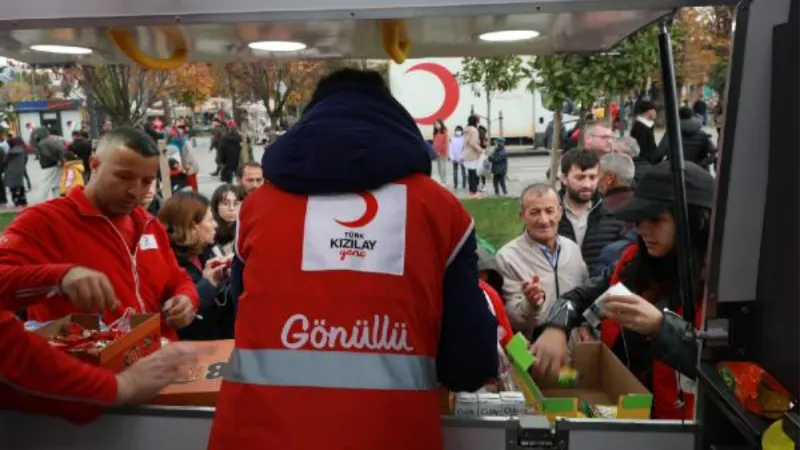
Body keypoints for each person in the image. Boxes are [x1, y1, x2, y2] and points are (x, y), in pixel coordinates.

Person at [209, 69, 498, 450]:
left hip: (255, 434)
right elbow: (469, 364)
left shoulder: (256, 209)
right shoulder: (440, 210)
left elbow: (247, 314)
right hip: (392, 435)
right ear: (394, 120)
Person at [530, 161, 713, 420]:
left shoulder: (723, 287)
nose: (642, 229)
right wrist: (557, 325)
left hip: (685, 429)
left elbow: (723, 371)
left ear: (696, 223)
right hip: (624, 412)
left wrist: (661, 328)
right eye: (639, 219)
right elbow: (578, 297)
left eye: (656, 219)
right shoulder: (632, 262)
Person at [0, 127, 200, 341]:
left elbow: (177, 278)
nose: (136, 191)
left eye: (146, 182)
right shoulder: (44, 221)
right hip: (87, 370)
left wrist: (186, 299)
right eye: (124, 177)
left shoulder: (149, 223)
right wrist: (60, 277)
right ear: (94, 165)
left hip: (160, 364)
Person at [496, 183, 588, 337]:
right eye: (534, 212)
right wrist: (530, 304)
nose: (544, 220)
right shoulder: (507, 258)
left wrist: (585, 325)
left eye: (550, 211)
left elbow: (585, 293)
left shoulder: (572, 249)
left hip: (574, 342)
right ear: (522, 215)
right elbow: (511, 319)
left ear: (560, 212)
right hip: (534, 348)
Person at [160, 192, 235, 341]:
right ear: (193, 226)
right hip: (194, 349)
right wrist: (208, 284)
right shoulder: (168, 261)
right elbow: (182, 320)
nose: (216, 225)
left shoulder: (208, 249)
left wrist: (232, 276)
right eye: (210, 220)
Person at [557, 149, 627, 276]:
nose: (587, 184)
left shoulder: (613, 216)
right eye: (580, 178)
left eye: (592, 177)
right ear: (564, 179)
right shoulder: (548, 215)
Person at [657, 106, 717, 171]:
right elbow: (714, 152)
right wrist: (702, 163)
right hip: (699, 171)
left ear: (678, 116)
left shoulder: (671, 133)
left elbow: (660, 153)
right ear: (692, 116)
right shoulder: (702, 134)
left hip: (676, 170)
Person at [210, 184, 244, 255]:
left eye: (236, 204)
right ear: (216, 206)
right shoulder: (208, 231)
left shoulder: (245, 231)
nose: (231, 208)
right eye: (225, 203)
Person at [630, 100, 660, 165]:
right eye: (654, 110)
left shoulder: (648, 125)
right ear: (649, 111)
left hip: (651, 162)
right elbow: (642, 149)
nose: (656, 113)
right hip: (646, 163)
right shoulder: (640, 127)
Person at [463, 115, 484, 197]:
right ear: (475, 121)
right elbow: (473, 143)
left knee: (470, 173)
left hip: (466, 154)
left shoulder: (466, 129)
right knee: (474, 173)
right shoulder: (474, 130)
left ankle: (471, 191)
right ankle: (475, 191)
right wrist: (481, 150)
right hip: (473, 154)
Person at [448, 126, 466, 190]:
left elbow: (465, 149)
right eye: (457, 130)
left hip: (462, 159)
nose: (458, 131)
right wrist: (452, 158)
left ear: (461, 131)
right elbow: (450, 149)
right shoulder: (452, 139)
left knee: (463, 172)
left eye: (459, 130)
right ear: (455, 131)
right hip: (454, 159)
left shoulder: (464, 139)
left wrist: (462, 157)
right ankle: (455, 185)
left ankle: (464, 185)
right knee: (455, 172)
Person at [432, 119, 449, 184]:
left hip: (443, 153)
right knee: (439, 167)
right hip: (437, 153)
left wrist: (441, 151)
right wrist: (434, 151)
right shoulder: (435, 132)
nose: (436, 125)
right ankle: (442, 180)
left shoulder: (444, 131)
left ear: (441, 124)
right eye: (435, 124)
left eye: (438, 124)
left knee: (443, 167)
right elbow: (434, 143)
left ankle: (444, 181)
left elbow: (445, 143)